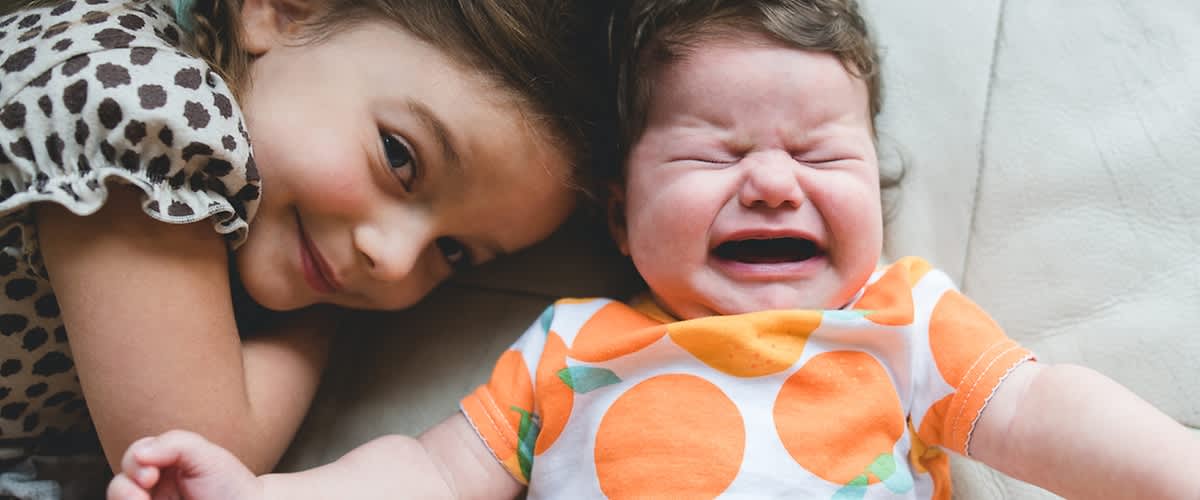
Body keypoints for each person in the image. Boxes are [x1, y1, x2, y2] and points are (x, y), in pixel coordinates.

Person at [104, 0, 1200, 499]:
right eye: (715, 152)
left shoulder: (900, 318)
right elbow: (428, 470)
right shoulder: (573, 341)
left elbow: (1043, 408)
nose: (772, 178)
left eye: (823, 152)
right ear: (621, 219)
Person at [0, 0, 611, 497]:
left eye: (453, 252)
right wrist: (321, 327)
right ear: (283, 12)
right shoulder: (147, 104)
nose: (394, 261)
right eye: (399, 157)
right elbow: (192, 451)